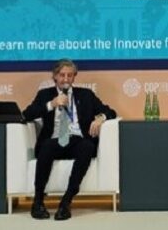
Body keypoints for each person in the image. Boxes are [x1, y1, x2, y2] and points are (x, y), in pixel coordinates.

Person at [22, 59, 116, 220]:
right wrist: (51, 104)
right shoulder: (45, 94)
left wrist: (101, 118)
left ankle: (66, 202)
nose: (66, 79)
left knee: (87, 146)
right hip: (54, 139)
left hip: (77, 140)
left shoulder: (85, 95)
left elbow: (110, 111)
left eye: (70, 75)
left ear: (74, 77)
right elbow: (26, 114)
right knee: (46, 147)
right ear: (55, 76)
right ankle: (38, 202)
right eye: (62, 75)